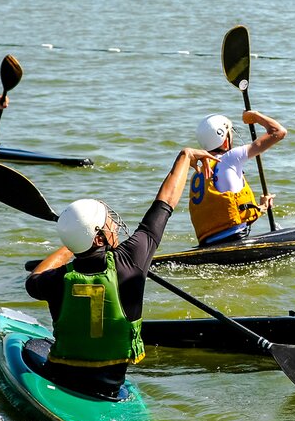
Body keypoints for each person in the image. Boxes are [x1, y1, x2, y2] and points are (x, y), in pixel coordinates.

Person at [25, 147, 215, 397]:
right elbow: (165, 203)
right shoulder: (132, 259)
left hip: (60, 376)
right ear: (100, 237)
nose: (114, 224)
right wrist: (185, 157)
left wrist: (68, 246)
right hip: (109, 387)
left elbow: (33, 280)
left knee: (29, 347)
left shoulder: (55, 280)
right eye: (108, 223)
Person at [189, 111, 286, 245]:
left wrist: (262, 207)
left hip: (207, 242)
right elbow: (278, 132)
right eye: (231, 131)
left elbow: (226, 213)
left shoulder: (198, 172)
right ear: (224, 141)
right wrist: (255, 117)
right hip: (234, 238)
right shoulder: (230, 158)